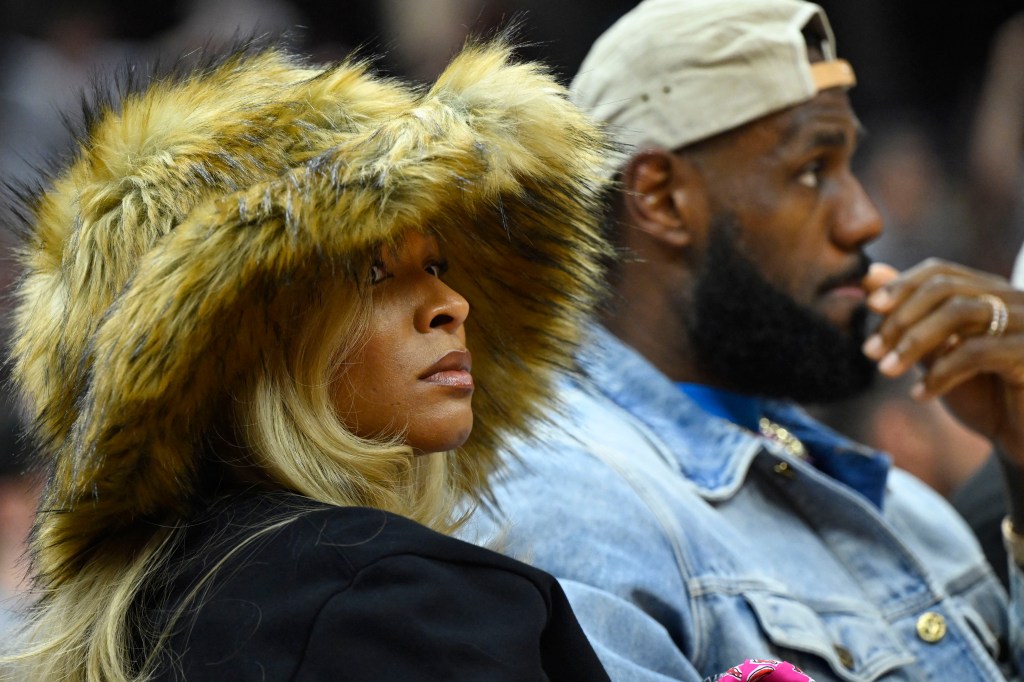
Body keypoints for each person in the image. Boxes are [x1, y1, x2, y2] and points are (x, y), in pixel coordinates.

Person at [0, 39, 617, 681]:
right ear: (240, 343)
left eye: (436, 266)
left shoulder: (160, 609)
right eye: (375, 274)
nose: (452, 305)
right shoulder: (390, 601)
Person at [463, 0, 1024, 679]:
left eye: (852, 164)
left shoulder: (902, 507)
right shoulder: (569, 500)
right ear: (663, 199)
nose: (863, 219)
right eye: (813, 169)